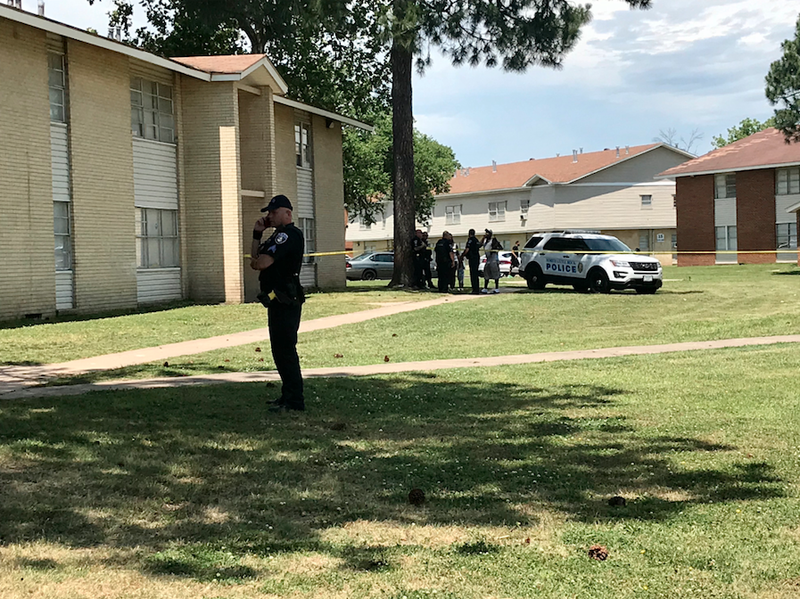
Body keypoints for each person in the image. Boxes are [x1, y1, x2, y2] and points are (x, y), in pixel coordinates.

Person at [250, 194, 306, 412]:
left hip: (285, 299)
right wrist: (257, 233)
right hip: (276, 299)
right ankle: (287, 396)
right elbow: (254, 257)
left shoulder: (288, 235)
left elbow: (260, 263)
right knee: (279, 350)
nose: (269, 216)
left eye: (273, 212)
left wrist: (258, 261)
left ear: (287, 213)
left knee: (285, 350)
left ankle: (294, 401)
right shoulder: (276, 236)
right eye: (268, 213)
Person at [481, 229, 503, 294]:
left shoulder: (493, 240)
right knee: (486, 274)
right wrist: (483, 238)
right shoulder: (485, 241)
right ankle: (485, 288)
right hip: (488, 259)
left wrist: (494, 249)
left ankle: (496, 288)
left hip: (493, 259)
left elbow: (501, 247)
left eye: (487, 233)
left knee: (495, 274)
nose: (486, 234)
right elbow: (479, 245)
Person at [462, 229, 482, 294]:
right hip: (477, 258)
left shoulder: (470, 240)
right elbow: (479, 245)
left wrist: (462, 255)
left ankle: (475, 289)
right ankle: (477, 288)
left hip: (472, 258)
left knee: (473, 274)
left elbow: (467, 249)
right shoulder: (476, 240)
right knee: (475, 274)